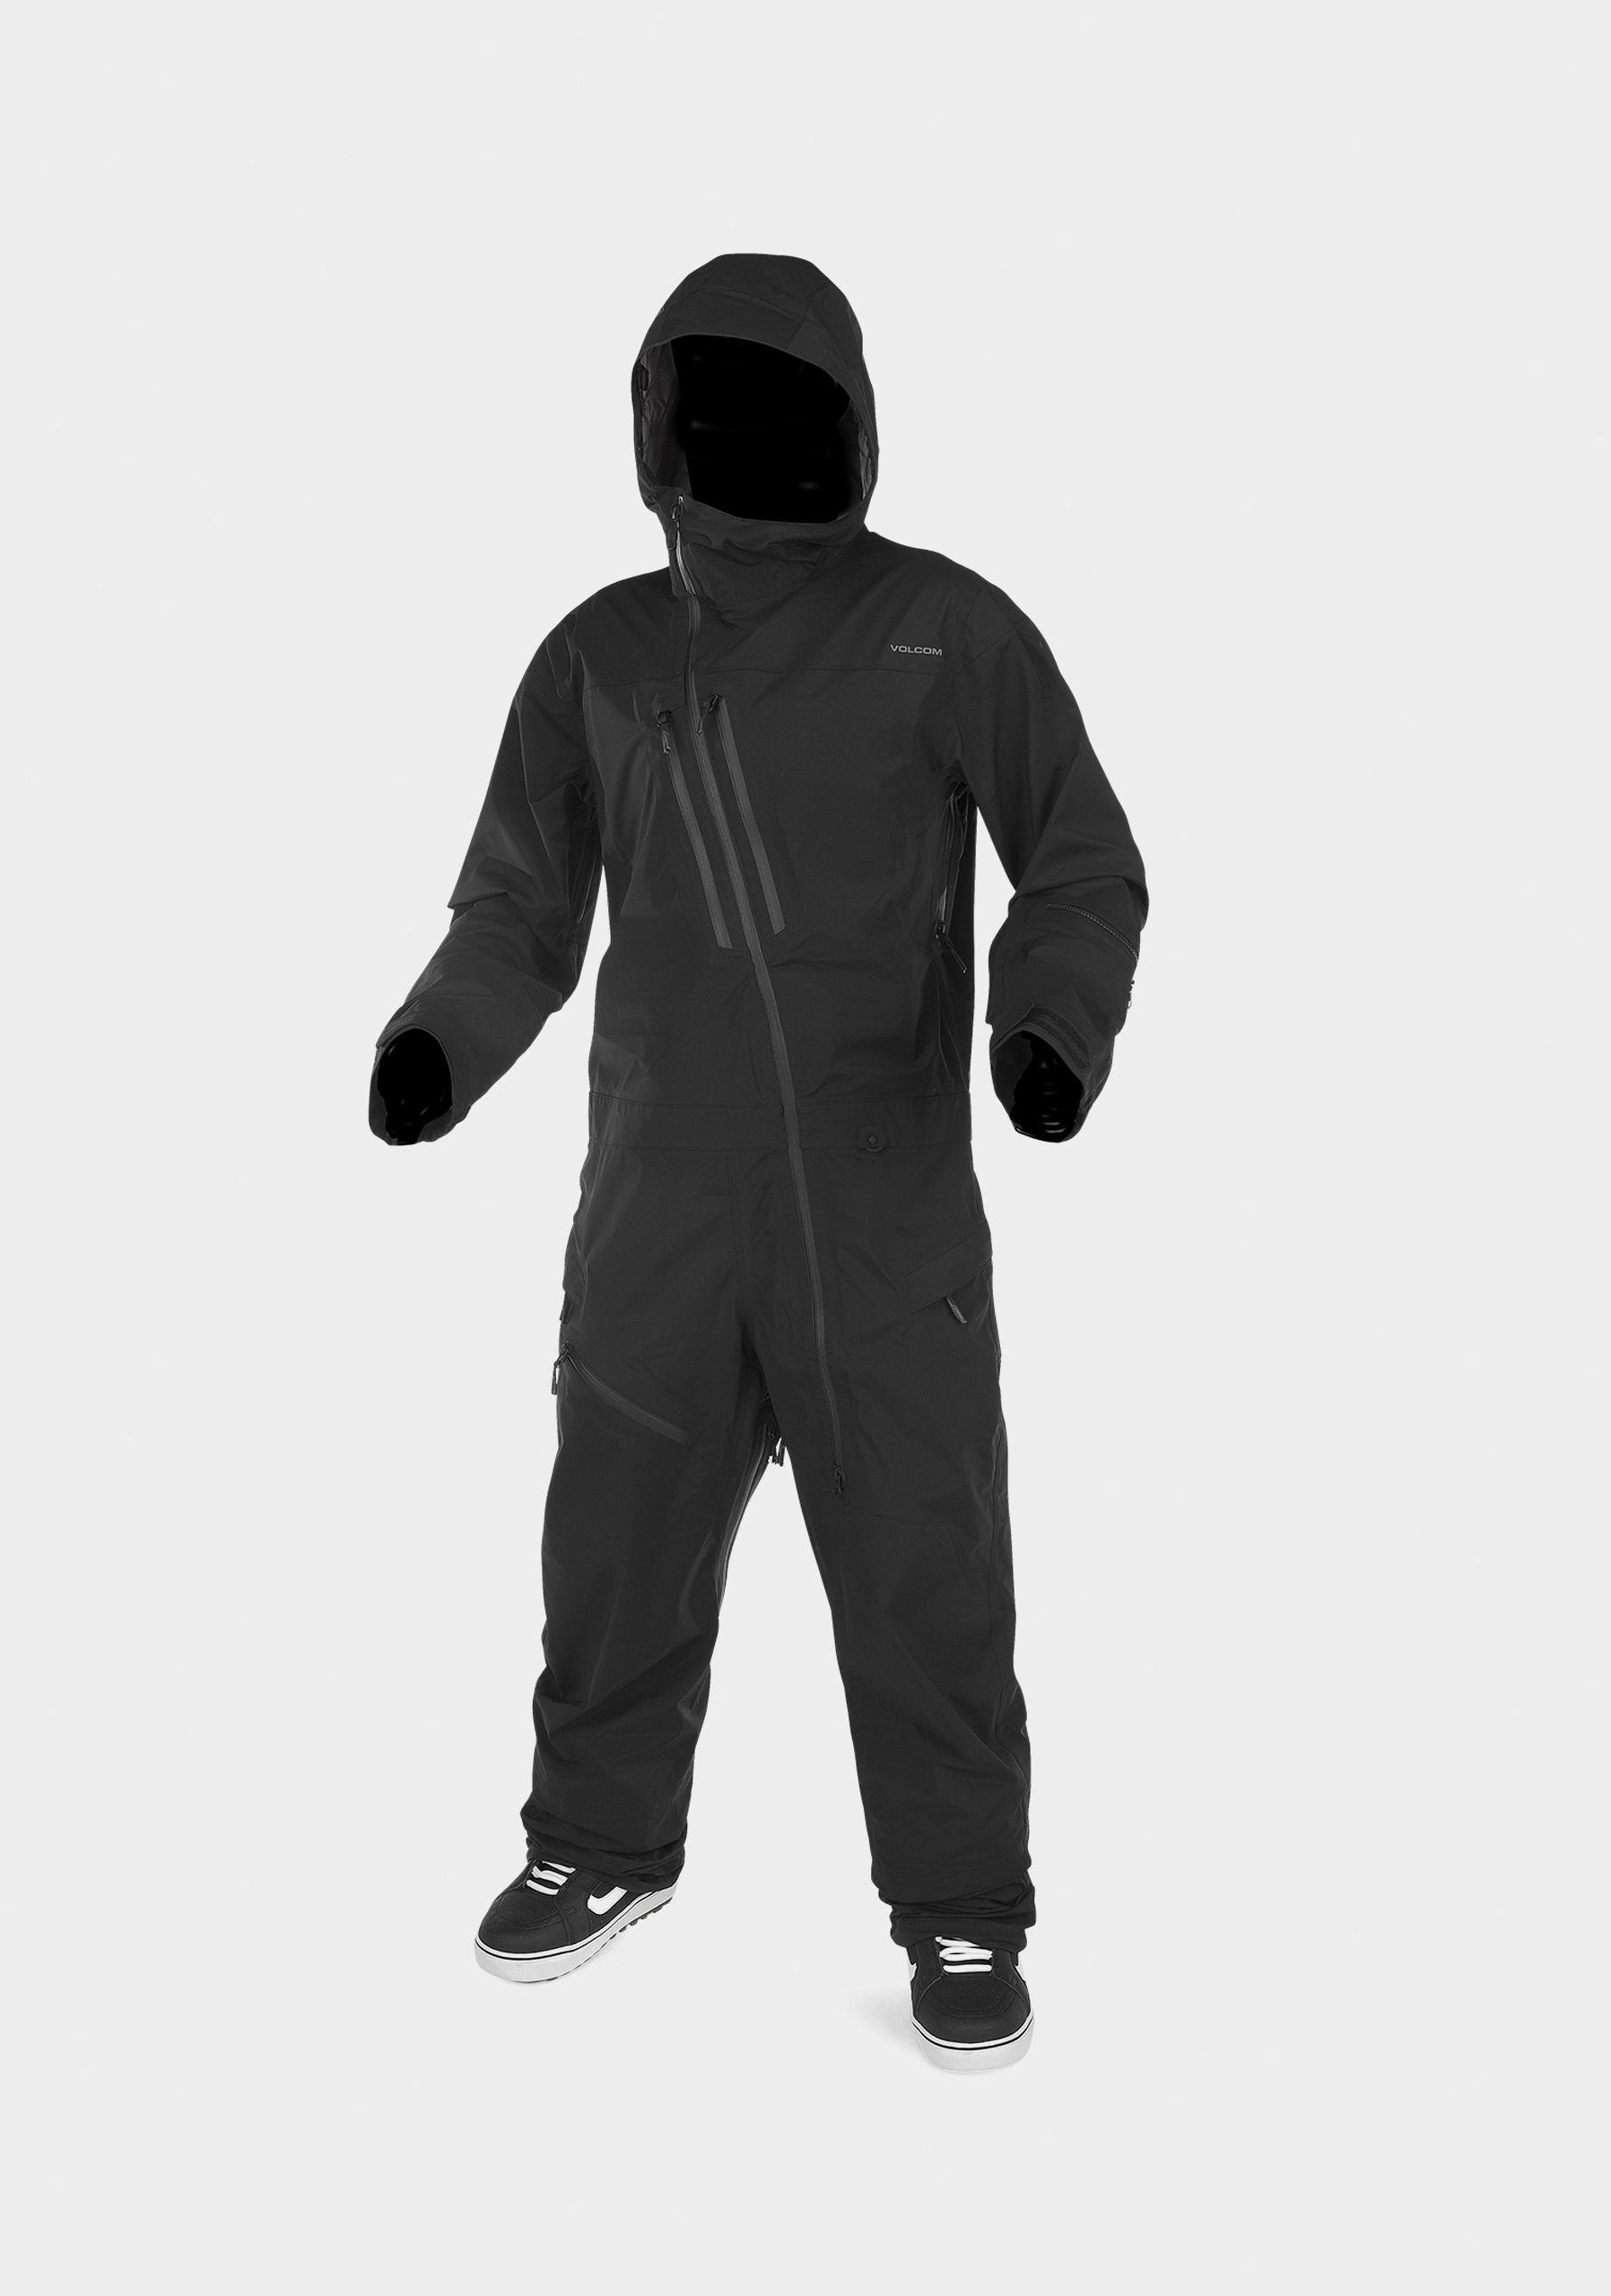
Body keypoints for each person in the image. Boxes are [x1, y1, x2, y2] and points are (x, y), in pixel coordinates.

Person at [370, 252, 1146, 2073]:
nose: (752, 438)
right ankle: (595, 1842)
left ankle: (963, 1900)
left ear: (850, 424)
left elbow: (1080, 856)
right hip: (659, 1200)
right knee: (614, 1539)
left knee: (925, 1559)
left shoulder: (946, 629)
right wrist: (438, 1043)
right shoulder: (601, 655)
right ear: (659, 425)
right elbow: (518, 899)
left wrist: (1046, 1032)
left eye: (788, 407)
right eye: (715, 405)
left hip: (882, 1211)